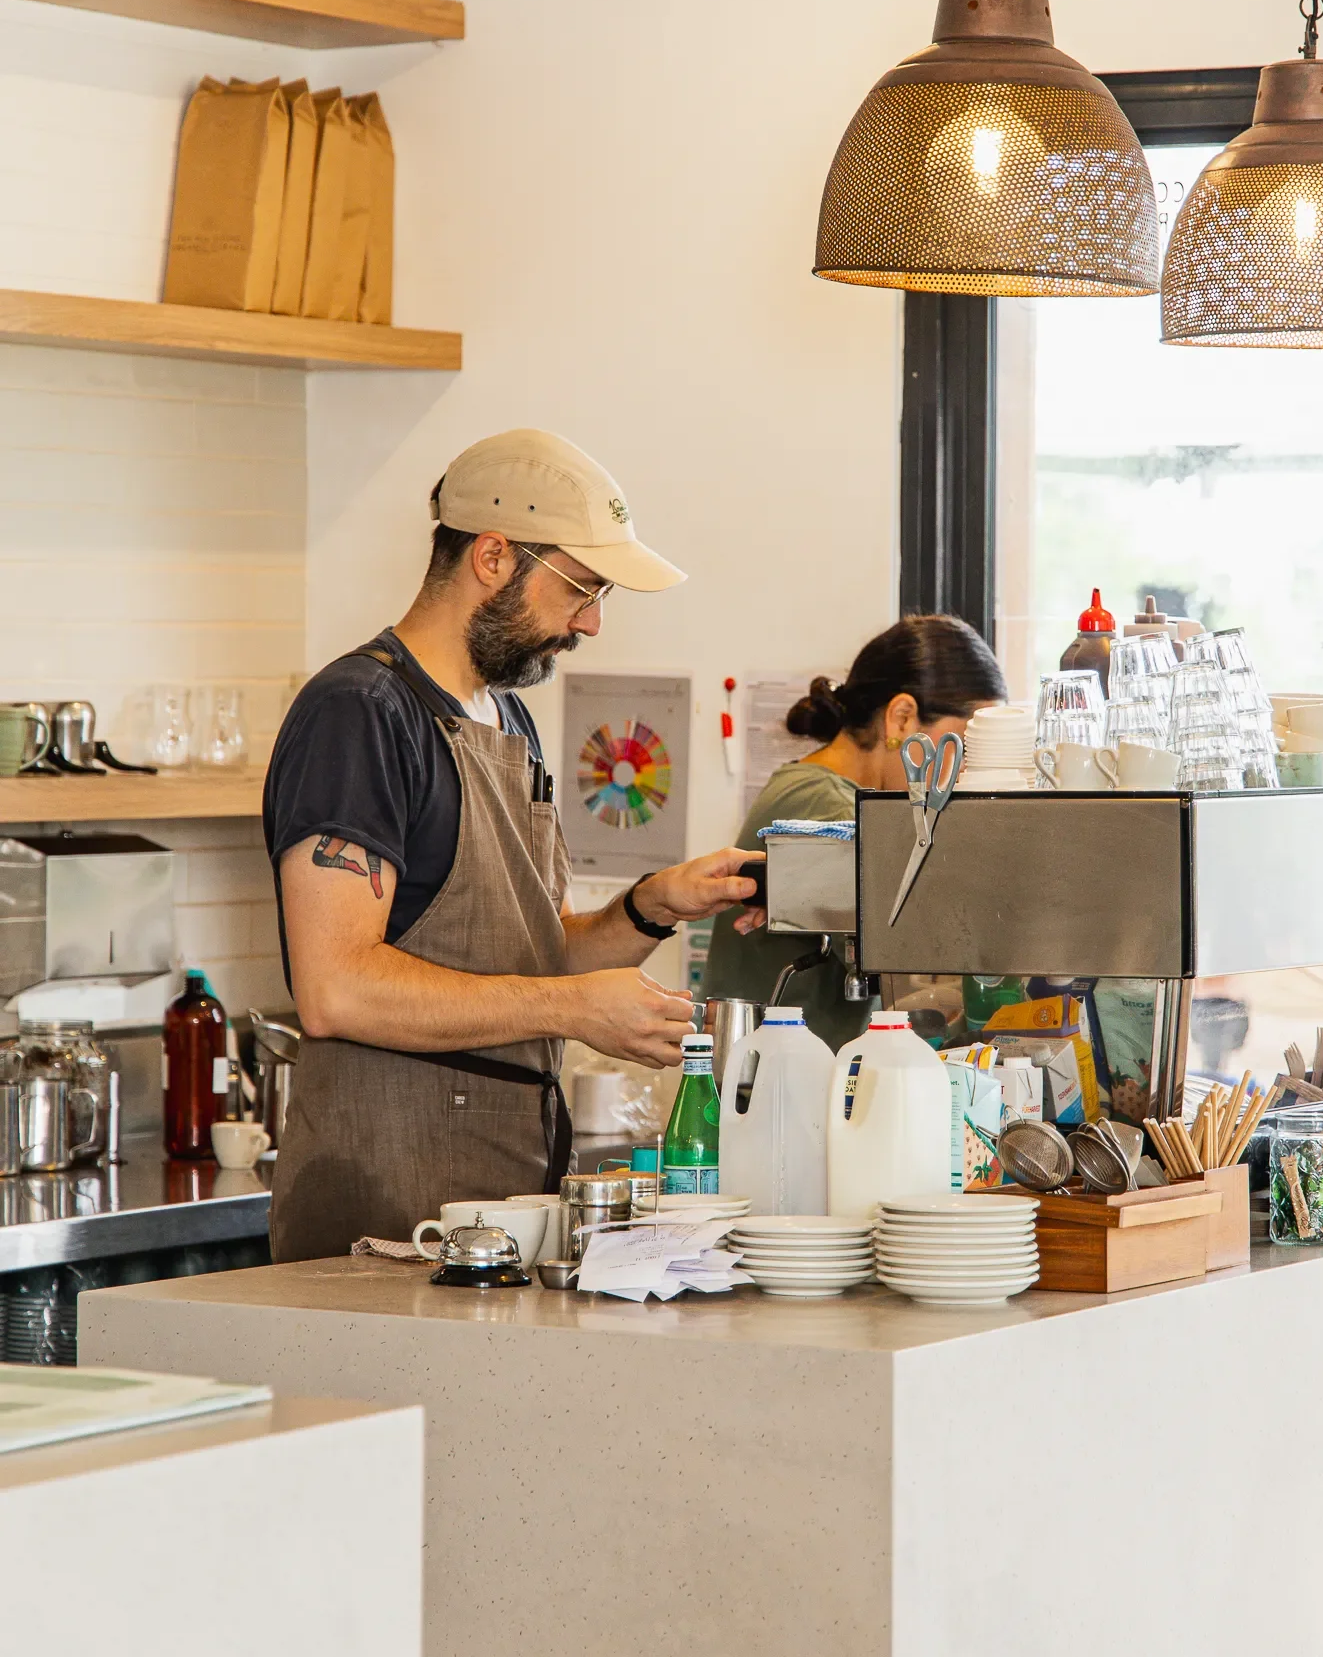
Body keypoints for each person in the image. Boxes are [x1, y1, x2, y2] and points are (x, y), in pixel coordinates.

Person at [262, 428, 762, 1261]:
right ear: (492, 557)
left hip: (499, 1197)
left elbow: (530, 961)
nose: (593, 623)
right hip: (383, 1213)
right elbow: (336, 987)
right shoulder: (360, 713)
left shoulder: (508, 720)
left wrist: (650, 907)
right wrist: (574, 1009)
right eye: (583, 588)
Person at [703, 616, 1006, 1049]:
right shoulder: (825, 805)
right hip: (766, 1086)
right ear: (902, 719)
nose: (964, 772)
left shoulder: (821, 789)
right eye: (965, 746)